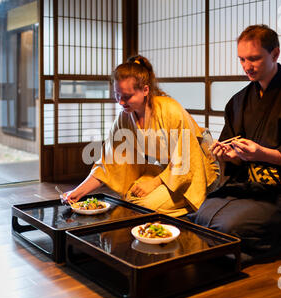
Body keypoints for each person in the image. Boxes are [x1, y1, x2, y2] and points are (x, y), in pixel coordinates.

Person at [187, 25, 281, 257]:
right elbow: (232, 148)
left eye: (254, 59)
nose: (247, 66)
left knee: (228, 227)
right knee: (200, 217)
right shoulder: (239, 101)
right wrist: (229, 155)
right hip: (247, 186)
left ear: (275, 54)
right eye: (242, 59)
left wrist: (261, 154)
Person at [63, 55, 219, 217]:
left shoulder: (170, 110)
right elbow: (107, 164)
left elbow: (186, 160)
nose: (121, 103)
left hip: (197, 170)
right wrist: (77, 192)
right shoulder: (124, 118)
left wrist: (155, 182)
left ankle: (196, 203)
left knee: (145, 205)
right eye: (117, 95)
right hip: (167, 171)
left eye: (127, 96)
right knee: (130, 197)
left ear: (145, 90)